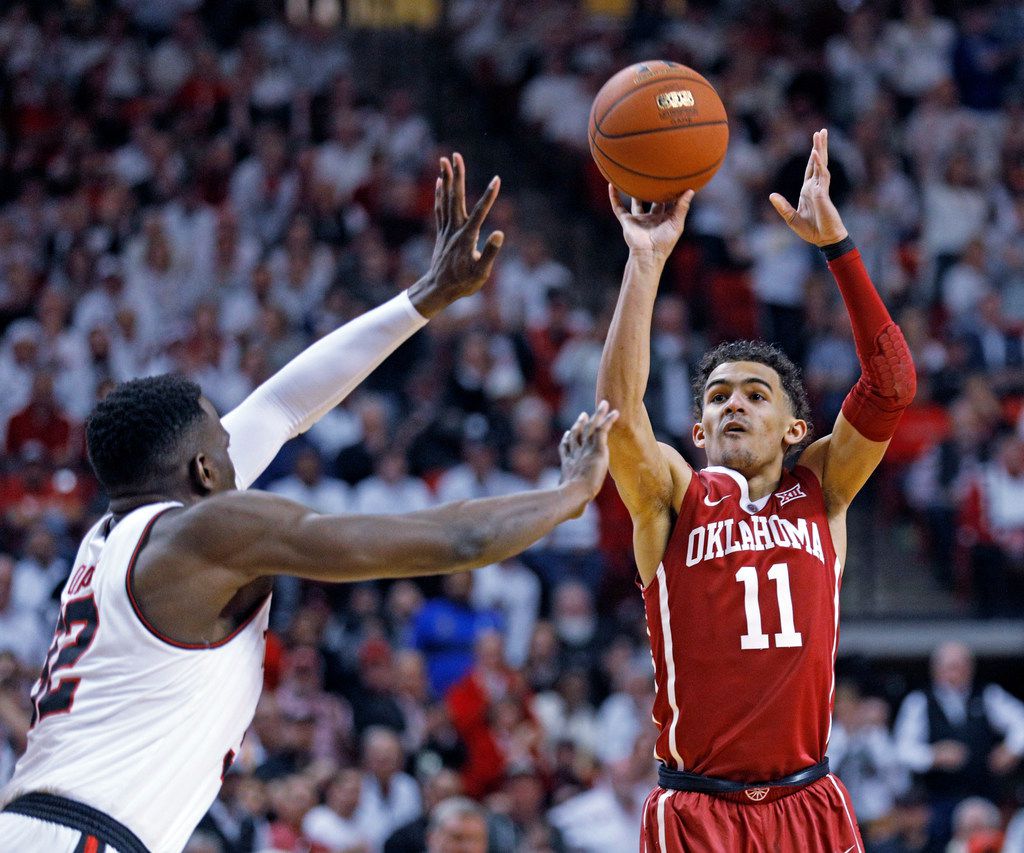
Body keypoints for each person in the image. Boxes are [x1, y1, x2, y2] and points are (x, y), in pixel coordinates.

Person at [0, 154, 619, 853]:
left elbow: (287, 403)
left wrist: (424, 297)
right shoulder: (207, 531)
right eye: (224, 445)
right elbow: (455, 542)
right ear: (204, 468)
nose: (241, 453)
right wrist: (571, 494)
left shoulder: (108, 543)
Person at [596, 129, 917, 851]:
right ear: (700, 430)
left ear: (795, 426)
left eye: (753, 393)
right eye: (716, 397)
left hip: (811, 802)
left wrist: (837, 245)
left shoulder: (823, 489)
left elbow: (892, 382)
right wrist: (644, 263)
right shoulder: (675, 496)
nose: (733, 403)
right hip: (701, 810)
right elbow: (619, 416)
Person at [893, 641, 1024, 842]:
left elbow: (1020, 721)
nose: (956, 673)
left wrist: (1011, 749)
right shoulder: (920, 701)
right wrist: (933, 756)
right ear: (936, 669)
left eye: (962, 666)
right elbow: (901, 750)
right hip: (939, 800)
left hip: (984, 794)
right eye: (950, 667)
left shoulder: (987, 695)